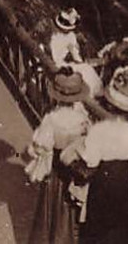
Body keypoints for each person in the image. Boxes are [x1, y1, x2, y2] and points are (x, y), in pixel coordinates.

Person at [76, 67, 128, 243]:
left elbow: (90, 161)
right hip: (125, 182)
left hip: (102, 181)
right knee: (120, 229)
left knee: (97, 227)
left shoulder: (98, 130)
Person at [26, 67, 93, 244]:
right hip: (73, 172)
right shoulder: (83, 120)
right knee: (69, 213)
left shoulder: (52, 118)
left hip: (55, 170)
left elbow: (39, 147)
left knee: (50, 210)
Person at [49, 9, 102, 97]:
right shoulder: (70, 37)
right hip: (60, 65)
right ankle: (90, 94)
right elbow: (76, 56)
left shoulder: (56, 33)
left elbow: (74, 54)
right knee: (86, 70)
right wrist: (81, 63)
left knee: (86, 69)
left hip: (57, 61)